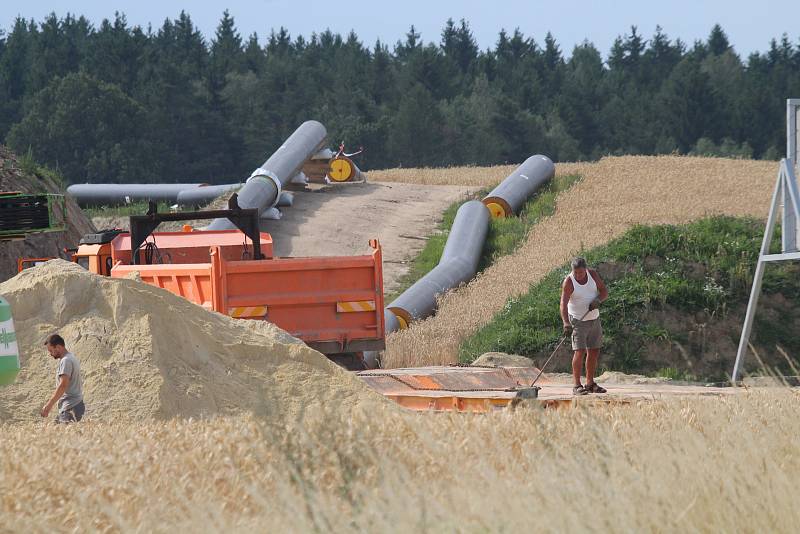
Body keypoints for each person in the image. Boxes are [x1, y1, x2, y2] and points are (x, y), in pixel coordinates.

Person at [560, 257, 609, 396]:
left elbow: (604, 291)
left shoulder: (593, 275)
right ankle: (576, 385)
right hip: (577, 320)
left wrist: (598, 300)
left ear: (586, 269)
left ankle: (590, 383)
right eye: (575, 272)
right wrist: (566, 323)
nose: (578, 275)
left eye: (580, 273)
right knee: (579, 351)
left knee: (594, 350)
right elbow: (563, 304)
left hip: (594, 318)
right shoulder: (569, 282)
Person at [40, 334, 85, 423]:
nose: (50, 354)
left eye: (51, 350)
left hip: (71, 406)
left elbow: (63, 385)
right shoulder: (70, 357)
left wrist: (48, 406)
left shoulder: (66, 361)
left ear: (58, 347)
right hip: (74, 405)